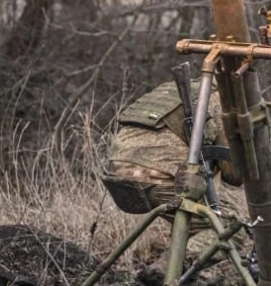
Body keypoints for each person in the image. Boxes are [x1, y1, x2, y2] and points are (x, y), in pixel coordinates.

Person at [101, 79, 247, 274]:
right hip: (158, 177)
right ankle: (166, 270)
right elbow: (234, 175)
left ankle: (174, 273)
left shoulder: (173, 89)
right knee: (231, 227)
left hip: (115, 174)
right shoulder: (222, 100)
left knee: (191, 219)